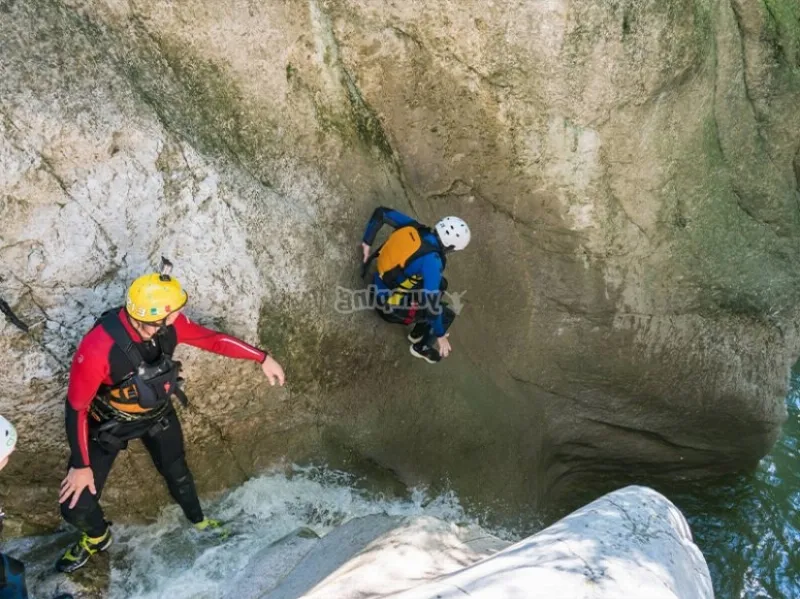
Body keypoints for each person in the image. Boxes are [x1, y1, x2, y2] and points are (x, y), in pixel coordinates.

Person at [56, 261, 285, 573]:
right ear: (146, 322)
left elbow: (211, 339)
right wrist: (81, 466)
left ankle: (198, 520)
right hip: (108, 424)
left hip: (157, 415)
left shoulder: (166, 326)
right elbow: (77, 407)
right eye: (170, 316)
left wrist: (261, 357)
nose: (178, 320)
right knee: (75, 505)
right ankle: (98, 537)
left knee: (178, 472)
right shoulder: (99, 348)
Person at [360, 207, 471, 363]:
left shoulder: (414, 228)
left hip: (380, 282)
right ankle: (421, 347)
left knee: (441, 284)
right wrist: (440, 336)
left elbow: (381, 213)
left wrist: (367, 241)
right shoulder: (433, 261)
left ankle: (417, 333)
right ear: (451, 248)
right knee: (446, 314)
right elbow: (431, 307)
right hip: (388, 307)